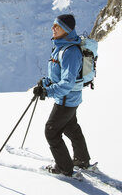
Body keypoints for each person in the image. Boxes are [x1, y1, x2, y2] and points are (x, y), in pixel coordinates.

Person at [33, 14, 91, 177]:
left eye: (56, 26)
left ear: (65, 29)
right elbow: (57, 76)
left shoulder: (70, 52)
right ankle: (82, 159)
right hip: (69, 98)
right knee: (71, 128)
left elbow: (67, 83)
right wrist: (45, 83)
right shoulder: (62, 46)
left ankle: (64, 168)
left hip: (66, 100)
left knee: (51, 132)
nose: (52, 28)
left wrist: (47, 91)